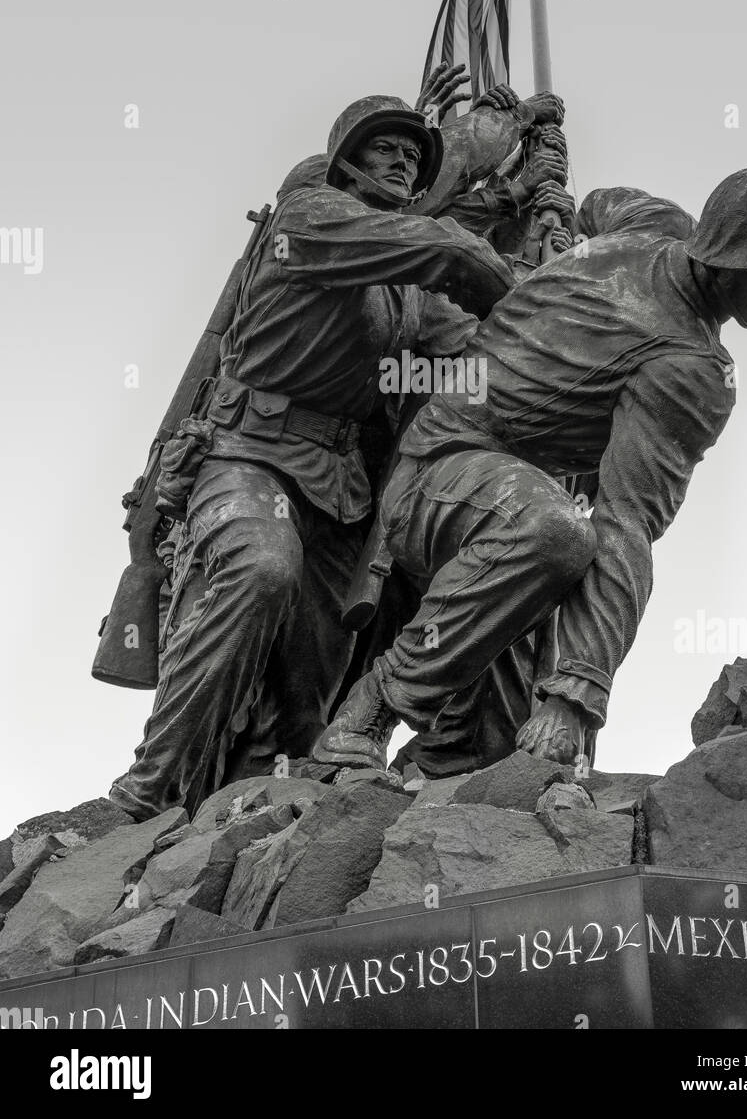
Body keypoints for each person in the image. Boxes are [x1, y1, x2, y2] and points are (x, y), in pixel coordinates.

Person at [109, 83, 564, 820]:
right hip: (251, 454)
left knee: (313, 680)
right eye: (384, 147)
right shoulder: (311, 217)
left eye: (413, 155)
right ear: (346, 163)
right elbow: (439, 244)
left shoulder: (407, 290)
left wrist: (552, 267)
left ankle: (271, 806)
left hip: (341, 486)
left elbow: (481, 350)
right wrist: (498, 173)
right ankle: (144, 792)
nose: (401, 161)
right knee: (261, 570)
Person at [313, 167, 747, 774]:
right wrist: (576, 698)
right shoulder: (691, 371)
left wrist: (564, 240)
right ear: (719, 257)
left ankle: (426, 774)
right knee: (556, 530)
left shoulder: (652, 220)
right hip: (441, 476)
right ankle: (375, 707)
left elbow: (595, 205)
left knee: (490, 751)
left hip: (507, 503)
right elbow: (622, 527)